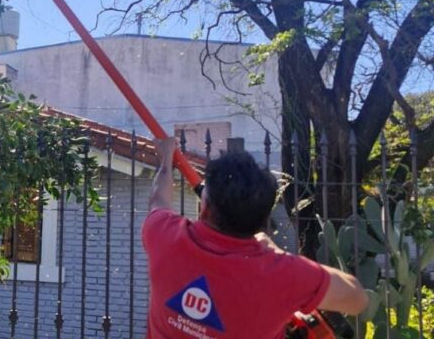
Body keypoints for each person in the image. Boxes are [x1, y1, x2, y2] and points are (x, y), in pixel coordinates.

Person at [143, 137, 368, 339]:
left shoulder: (164, 236)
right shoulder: (282, 274)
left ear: (205, 208)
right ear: (263, 218)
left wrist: (166, 162)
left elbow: (158, 200)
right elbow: (358, 299)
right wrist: (276, 253)